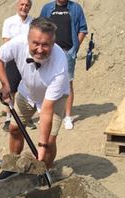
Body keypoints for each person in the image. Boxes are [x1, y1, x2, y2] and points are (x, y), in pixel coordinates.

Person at [0, 17, 70, 182]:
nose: (40, 49)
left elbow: (47, 110)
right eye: (35, 43)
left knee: (48, 141)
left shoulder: (60, 63)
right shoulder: (17, 43)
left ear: (53, 43)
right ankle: (12, 165)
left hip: (54, 99)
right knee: (14, 129)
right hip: (27, 92)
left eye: (45, 45)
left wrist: (41, 146)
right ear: (28, 39)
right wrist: (5, 85)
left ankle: (45, 170)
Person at [40, 0, 88, 130]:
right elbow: (40, 28)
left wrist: (75, 48)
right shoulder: (47, 8)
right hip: (49, 52)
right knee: (46, 82)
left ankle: (67, 116)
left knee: (68, 84)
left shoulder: (76, 8)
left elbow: (82, 29)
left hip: (67, 52)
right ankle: (47, 113)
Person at [0, 0, 36, 132]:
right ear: (17, 5)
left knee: (28, 88)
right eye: (22, 4)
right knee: (11, 89)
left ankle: (27, 117)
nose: (24, 7)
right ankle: (9, 117)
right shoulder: (9, 21)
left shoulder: (34, 22)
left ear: (30, 7)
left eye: (27, 5)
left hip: (28, 60)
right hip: (13, 60)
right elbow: (6, 41)